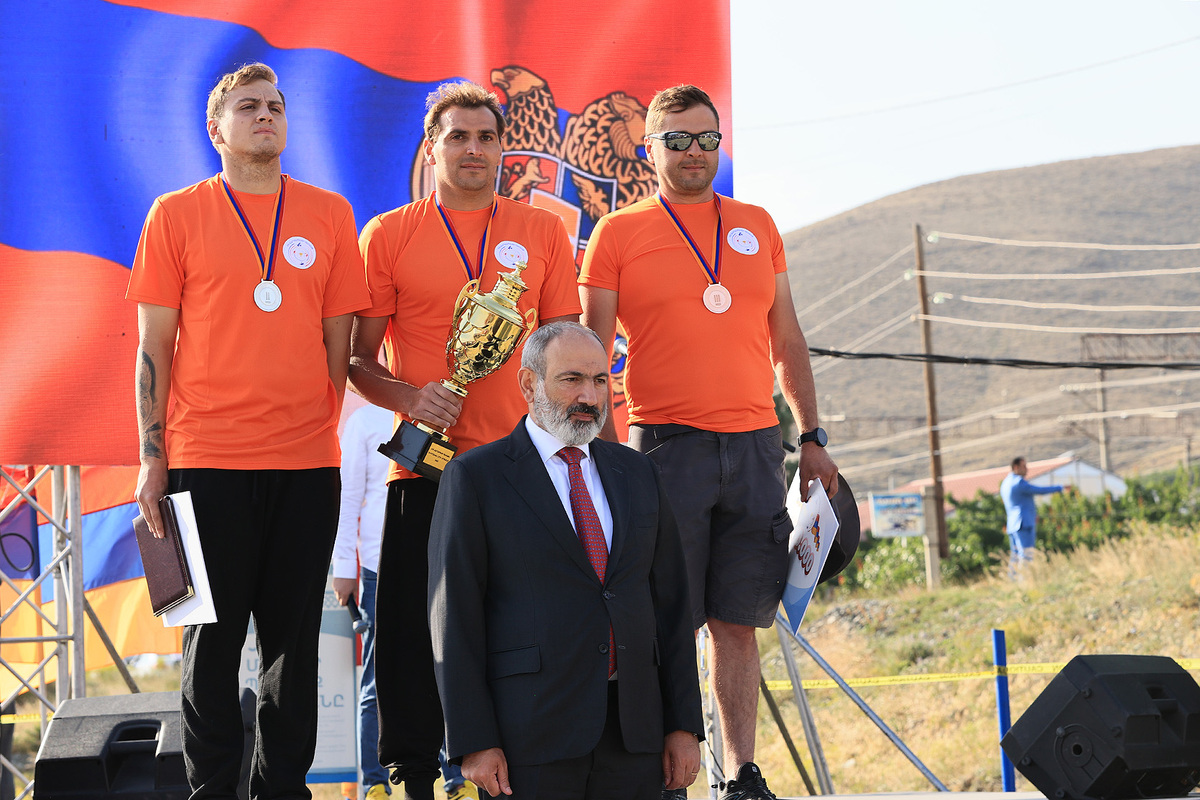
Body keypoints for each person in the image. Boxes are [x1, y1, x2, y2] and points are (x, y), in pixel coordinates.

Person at [579, 84, 839, 800]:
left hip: (757, 446)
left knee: (738, 620)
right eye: (677, 140)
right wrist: (603, 458)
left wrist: (811, 436)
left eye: (705, 139)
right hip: (664, 447)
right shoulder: (617, 233)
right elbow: (591, 356)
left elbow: (787, 338)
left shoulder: (757, 224)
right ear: (650, 149)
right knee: (664, 620)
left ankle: (740, 774)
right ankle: (667, 773)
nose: (694, 152)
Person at [128, 63, 369, 797]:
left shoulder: (329, 213)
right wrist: (152, 457)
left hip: (306, 467)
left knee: (294, 650)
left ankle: (281, 790)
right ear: (216, 129)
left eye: (276, 105)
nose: (266, 115)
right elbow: (153, 346)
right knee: (210, 646)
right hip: (205, 463)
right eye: (248, 106)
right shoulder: (176, 213)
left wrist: (309, 425)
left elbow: (338, 345)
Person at [348, 81, 581, 800]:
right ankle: (413, 778)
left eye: (486, 137)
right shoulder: (388, 234)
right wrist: (410, 398)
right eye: (458, 137)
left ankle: (516, 774)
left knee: (523, 632)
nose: (473, 149)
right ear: (432, 147)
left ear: (503, 148)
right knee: (413, 637)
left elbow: (569, 351)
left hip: (521, 469)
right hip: (426, 468)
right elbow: (355, 360)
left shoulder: (542, 232)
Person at [428, 322, 703, 800]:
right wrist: (474, 741)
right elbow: (454, 617)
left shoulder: (638, 472)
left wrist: (683, 725)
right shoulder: (476, 477)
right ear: (529, 383)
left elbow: (672, 606)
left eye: (599, 380)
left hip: (635, 735)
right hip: (528, 740)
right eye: (571, 379)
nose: (589, 397)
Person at [332, 402, 396, 800]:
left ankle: (455, 779)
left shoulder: (437, 407)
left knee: (445, 670)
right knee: (377, 677)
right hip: (377, 567)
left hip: (434, 560)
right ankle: (374, 782)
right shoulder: (365, 421)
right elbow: (348, 499)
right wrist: (344, 567)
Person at [999, 457, 1064, 565]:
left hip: (1012, 524)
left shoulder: (1005, 483)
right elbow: (1039, 490)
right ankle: (1025, 576)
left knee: (1015, 557)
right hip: (1023, 523)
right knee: (1026, 555)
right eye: (1024, 466)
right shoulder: (1018, 482)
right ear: (1016, 467)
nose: (1027, 469)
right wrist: (1059, 488)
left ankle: (1014, 576)